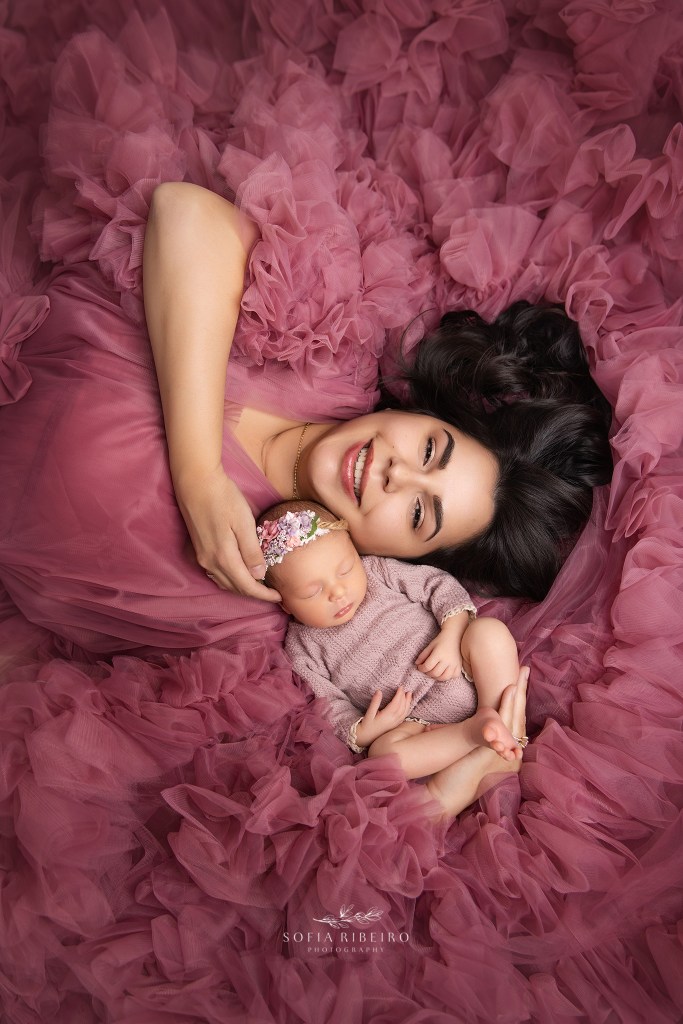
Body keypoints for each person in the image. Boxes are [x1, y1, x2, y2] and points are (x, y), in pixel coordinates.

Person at [143, 181, 613, 610]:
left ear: (400, 560)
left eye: (417, 513)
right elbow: (181, 209)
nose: (397, 474)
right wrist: (199, 477)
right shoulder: (324, 347)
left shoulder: (263, 582)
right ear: (423, 413)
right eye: (429, 449)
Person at [256, 499, 529, 817]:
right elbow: (327, 703)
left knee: (489, 633)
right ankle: (475, 734)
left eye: (345, 569)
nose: (338, 592)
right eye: (311, 592)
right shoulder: (301, 647)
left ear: (355, 553)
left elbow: (435, 586)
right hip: (417, 723)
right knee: (383, 754)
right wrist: (364, 730)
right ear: (286, 604)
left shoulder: (377, 571)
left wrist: (452, 633)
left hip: (462, 671)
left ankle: (500, 718)